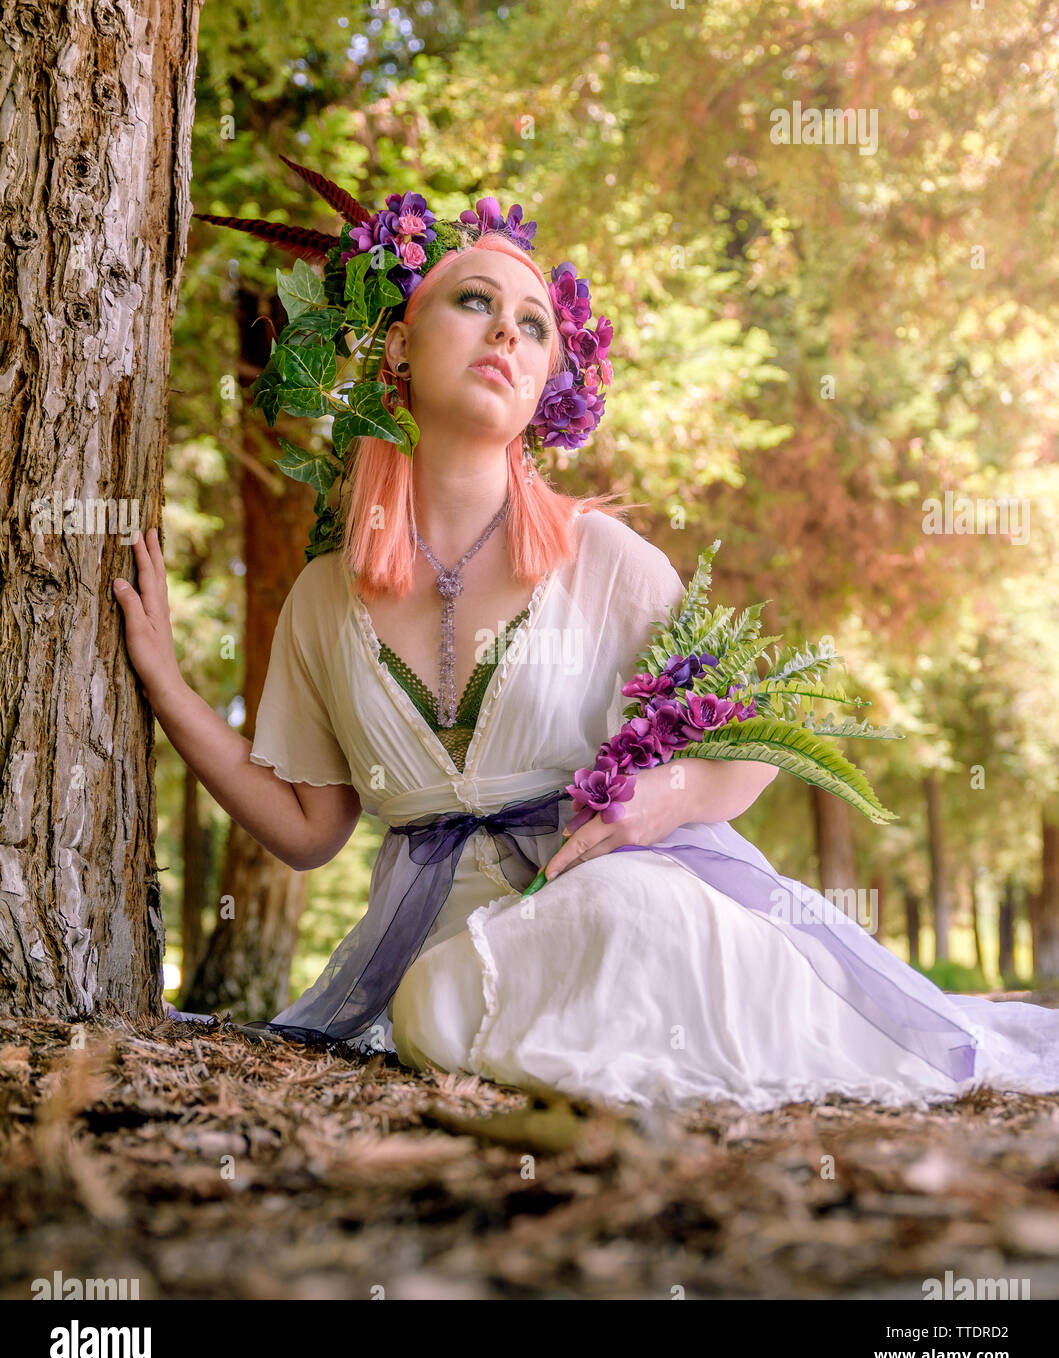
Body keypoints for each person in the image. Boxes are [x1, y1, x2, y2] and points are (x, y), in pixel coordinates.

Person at [116, 220, 1059, 1115]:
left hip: (630, 901)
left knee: (605, 911)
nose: (506, 334)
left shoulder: (603, 558)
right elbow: (310, 828)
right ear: (397, 350)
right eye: (474, 303)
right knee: (431, 1002)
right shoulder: (324, 599)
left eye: (533, 326)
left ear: (541, 391)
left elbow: (759, 749)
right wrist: (165, 685)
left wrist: (664, 800)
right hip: (448, 951)